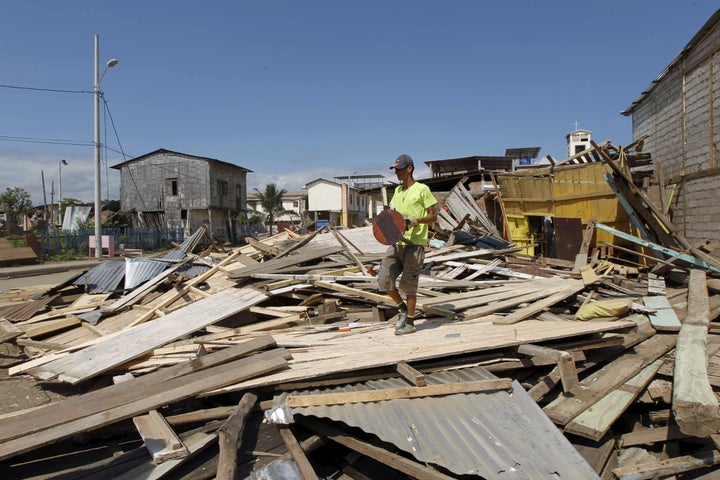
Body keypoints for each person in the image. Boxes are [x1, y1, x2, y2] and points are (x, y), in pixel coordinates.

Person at [378, 154, 438, 335]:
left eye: (399, 169)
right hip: (397, 243)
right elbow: (392, 216)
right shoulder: (397, 192)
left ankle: (411, 323)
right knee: (384, 279)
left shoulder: (422, 189)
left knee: (408, 285)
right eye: (395, 169)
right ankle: (402, 308)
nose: (396, 172)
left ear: (409, 168)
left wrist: (416, 220)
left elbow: (434, 216)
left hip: (414, 245)